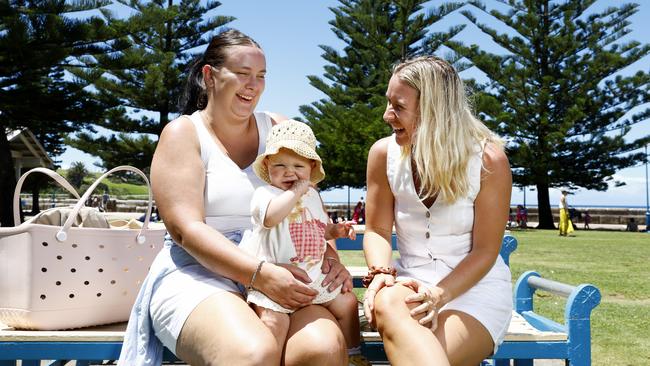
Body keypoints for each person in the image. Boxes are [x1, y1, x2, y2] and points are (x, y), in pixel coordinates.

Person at [118, 29, 352, 366]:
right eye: (242, 74)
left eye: (261, 76)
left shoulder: (280, 127)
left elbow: (309, 207)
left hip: (284, 272)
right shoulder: (184, 133)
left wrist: (330, 260)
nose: (253, 85)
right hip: (199, 274)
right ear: (209, 76)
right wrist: (260, 274)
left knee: (324, 349)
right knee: (253, 353)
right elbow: (186, 231)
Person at [362, 56, 513, 365]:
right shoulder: (382, 154)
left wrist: (440, 295)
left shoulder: (488, 161)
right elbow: (376, 230)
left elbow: (485, 251)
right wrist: (380, 272)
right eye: (388, 103)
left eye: (399, 107)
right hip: (409, 286)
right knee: (389, 300)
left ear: (434, 110)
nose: (386, 116)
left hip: (475, 293)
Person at [240, 120, 370, 366]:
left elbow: (321, 230)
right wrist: (295, 191)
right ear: (267, 165)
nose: (290, 172)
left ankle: (354, 354)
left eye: (298, 166)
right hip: (274, 280)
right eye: (280, 165)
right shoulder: (265, 195)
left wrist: (337, 230)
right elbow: (270, 219)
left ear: (311, 167)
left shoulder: (313, 197)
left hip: (313, 277)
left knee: (348, 302)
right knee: (274, 324)